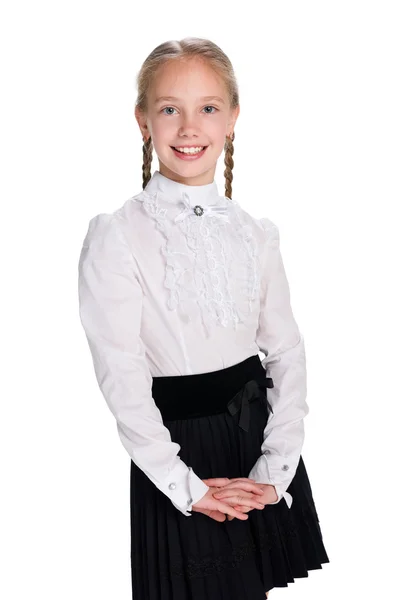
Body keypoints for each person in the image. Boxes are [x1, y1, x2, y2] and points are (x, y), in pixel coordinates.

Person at [78, 37, 330, 600]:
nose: (189, 127)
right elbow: (120, 374)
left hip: (256, 447)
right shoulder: (117, 236)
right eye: (170, 109)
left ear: (233, 119)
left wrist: (277, 466)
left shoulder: (254, 232)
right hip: (178, 457)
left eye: (208, 108)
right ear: (143, 121)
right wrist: (182, 484)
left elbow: (286, 351)